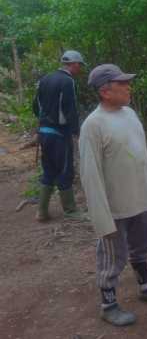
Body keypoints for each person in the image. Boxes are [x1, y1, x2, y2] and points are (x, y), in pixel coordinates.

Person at [79, 64, 147, 326]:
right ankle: (108, 306)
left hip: (138, 199)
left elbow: (139, 158)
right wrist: (101, 218)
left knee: (141, 247)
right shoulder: (93, 125)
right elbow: (90, 175)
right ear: (105, 92)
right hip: (115, 205)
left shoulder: (130, 114)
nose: (128, 86)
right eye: (122, 84)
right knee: (112, 256)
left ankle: (146, 288)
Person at [32, 50, 86, 221]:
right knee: (65, 170)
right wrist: (76, 131)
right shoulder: (67, 81)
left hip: (44, 132)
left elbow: (35, 105)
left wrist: (44, 123)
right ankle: (70, 210)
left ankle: (41, 211)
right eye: (80, 65)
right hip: (59, 134)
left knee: (49, 170)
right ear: (74, 64)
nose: (80, 69)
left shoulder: (45, 79)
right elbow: (70, 109)